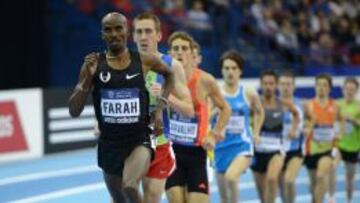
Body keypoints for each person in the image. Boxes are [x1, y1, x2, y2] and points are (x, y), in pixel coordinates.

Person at [68, 12, 175, 203]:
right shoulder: (93, 65)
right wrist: (86, 79)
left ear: (127, 31)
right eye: (108, 30)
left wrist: (160, 108)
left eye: (118, 28)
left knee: (130, 186)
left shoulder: (144, 60)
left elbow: (170, 75)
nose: (114, 33)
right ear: (102, 34)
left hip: (139, 140)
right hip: (109, 144)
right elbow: (74, 111)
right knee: (119, 199)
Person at [132, 12, 194, 203]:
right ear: (133, 36)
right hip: (129, 141)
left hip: (158, 141)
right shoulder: (124, 64)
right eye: (139, 32)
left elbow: (189, 110)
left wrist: (166, 97)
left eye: (148, 31)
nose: (143, 36)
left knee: (151, 197)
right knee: (124, 196)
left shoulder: (172, 66)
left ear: (159, 35)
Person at [165, 31, 231, 203]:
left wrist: (213, 134)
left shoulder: (205, 80)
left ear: (191, 53)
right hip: (171, 152)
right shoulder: (162, 78)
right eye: (175, 48)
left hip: (197, 154)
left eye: (184, 48)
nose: (179, 52)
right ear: (170, 53)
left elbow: (225, 109)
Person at [214, 49, 265, 203]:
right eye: (227, 68)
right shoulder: (216, 94)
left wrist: (256, 132)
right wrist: (215, 114)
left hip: (242, 145)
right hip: (221, 148)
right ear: (222, 71)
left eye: (234, 68)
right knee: (224, 197)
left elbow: (260, 112)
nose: (230, 72)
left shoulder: (248, 93)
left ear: (240, 71)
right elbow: (206, 117)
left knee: (231, 177)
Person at [251, 70, 300, 203]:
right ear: (261, 85)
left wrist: (293, 130)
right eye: (265, 83)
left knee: (272, 179)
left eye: (271, 83)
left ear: (276, 85)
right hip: (258, 152)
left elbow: (296, 115)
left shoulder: (283, 103)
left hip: (277, 150)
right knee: (262, 195)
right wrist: (253, 132)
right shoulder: (254, 103)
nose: (268, 86)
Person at [303, 73, 345, 203]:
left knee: (321, 177)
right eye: (318, 85)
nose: (321, 88)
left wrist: (339, 138)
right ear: (315, 87)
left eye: (324, 85)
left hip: (328, 149)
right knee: (314, 184)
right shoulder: (308, 106)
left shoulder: (336, 105)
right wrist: (308, 127)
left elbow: (341, 123)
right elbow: (303, 127)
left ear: (329, 88)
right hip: (311, 149)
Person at [278, 71, 305, 203]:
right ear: (278, 86)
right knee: (282, 185)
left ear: (294, 86)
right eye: (282, 84)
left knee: (289, 180)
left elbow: (312, 121)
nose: (285, 87)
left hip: (296, 149)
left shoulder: (302, 104)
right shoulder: (273, 104)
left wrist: (306, 128)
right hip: (277, 150)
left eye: (288, 84)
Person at [334, 77, 360, 203]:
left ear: (356, 91)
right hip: (338, 145)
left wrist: (353, 120)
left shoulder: (359, 106)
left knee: (350, 178)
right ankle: (330, 198)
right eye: (347, 89)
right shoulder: (336, 104)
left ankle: (349, 200)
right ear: (342, 90)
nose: (349, 92)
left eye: (352, 89)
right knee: (330, 168)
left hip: (353, 146)